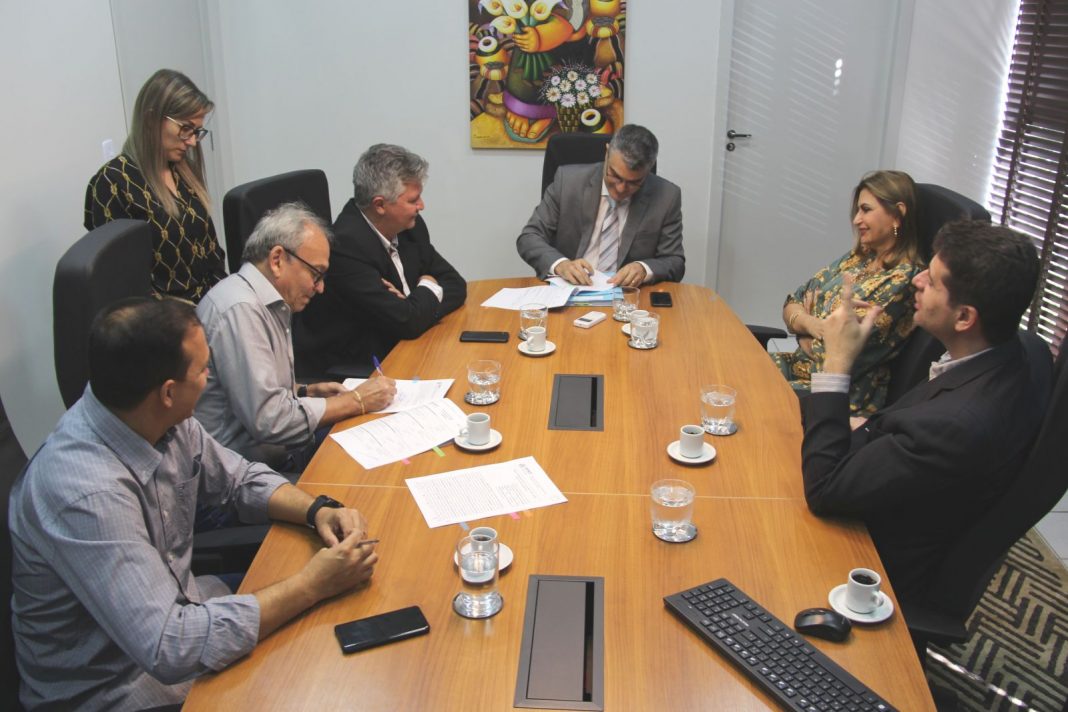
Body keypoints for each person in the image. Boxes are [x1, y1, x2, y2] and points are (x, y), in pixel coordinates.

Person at [8, 297, 379, 710]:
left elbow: (238, 479)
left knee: (334, 637)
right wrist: (311, 585)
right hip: (117, 689)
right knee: (314, 677)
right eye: (204, 369)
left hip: (188, 613)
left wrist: (318, 510)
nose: (210, 377)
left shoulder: (156, 417)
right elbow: (171, 647)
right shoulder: (86, 494)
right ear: (168, 392)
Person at [800, 221, 1052, 605]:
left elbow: (823, 491)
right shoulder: (1012, 353)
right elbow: (911, 425)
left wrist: (836, 361)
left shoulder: (955, 424)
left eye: (932, 281)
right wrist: (862, 425)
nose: (916, 281)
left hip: (870, 562)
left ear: (964, 318)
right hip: (898, 486)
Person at [194, 203, 396, 471]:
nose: (320, 288)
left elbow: (258, 391)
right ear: (277, 259)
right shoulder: (240, 311)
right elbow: (270, 422)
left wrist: (305, 391)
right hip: (246, 474)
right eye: (316, 274)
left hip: (280, 453)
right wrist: (355, 401)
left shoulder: (266, 300)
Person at [296, 144, 466, 377]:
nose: (421, 206)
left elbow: (456, 284)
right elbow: (407, 322)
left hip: (412, 347)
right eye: (413, 200)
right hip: (364, 368)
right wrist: (427, 285)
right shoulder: (345, 246)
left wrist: (415, 307)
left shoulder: (409, 227)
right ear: (380, 205)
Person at [771, 170, 922, 415]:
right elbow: (792, 301)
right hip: (798, 368)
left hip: (836, 396)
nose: (856, 220)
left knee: (746, 394)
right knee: (729, 369)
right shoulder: (859, 258)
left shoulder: (903, 281)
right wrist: (812, 325)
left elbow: (833, 356)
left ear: (898, 214)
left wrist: (802, 327)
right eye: (857, 211)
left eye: (866, 210)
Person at [84, 68, 227, 303]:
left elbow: (213, 256)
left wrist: (224, 302)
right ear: (151, 119)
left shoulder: (183, 170)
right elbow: (123, 284)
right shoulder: (113, 183)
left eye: (196, 131)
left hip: (208, 307)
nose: (192, 141)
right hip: (163, 320)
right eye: (185, 129)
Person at [516, 124, 685, 287]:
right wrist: (561, 264)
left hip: (628, 295)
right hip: (570, 288)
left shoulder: (667, 197)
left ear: (648, 170)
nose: (620, 189)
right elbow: (529, 237)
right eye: (615, 176)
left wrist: (644, 268)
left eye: (634, 183)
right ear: (607, 152)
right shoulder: (567, 181)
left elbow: (675, 261)